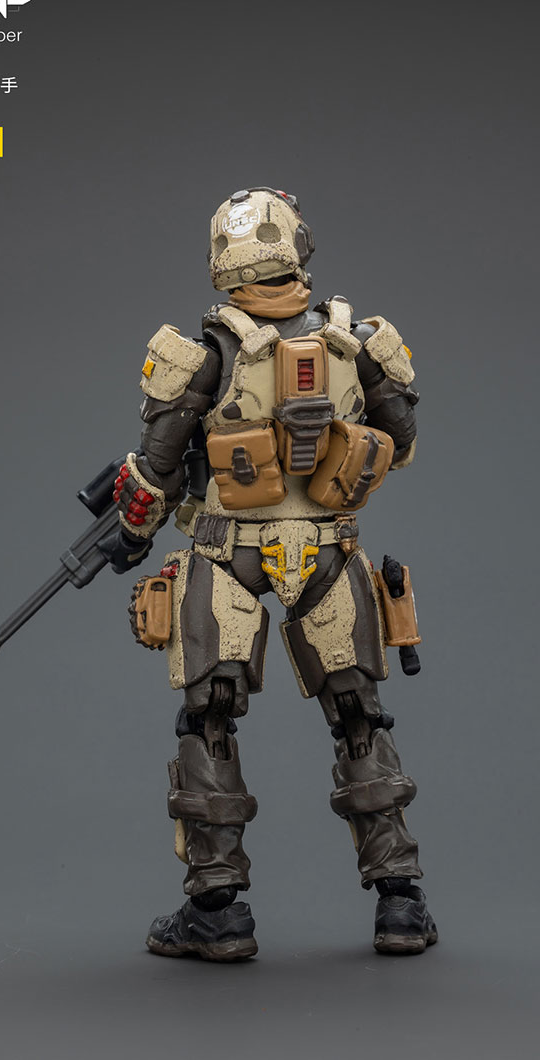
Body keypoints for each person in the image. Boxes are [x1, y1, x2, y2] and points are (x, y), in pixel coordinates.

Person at [106, 187, 437, 961]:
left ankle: (217, 911)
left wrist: (130, 532)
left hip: (229, 551)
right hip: (327, 550)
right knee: (359, 714)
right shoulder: (357, 343)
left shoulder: (205, 355)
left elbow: (153, 475)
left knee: (209, 718)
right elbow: (404, 444)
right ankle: (400, 902)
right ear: (297, 248)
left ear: (222, 261)